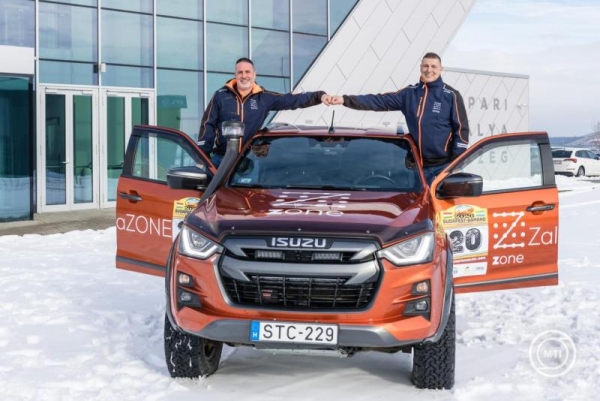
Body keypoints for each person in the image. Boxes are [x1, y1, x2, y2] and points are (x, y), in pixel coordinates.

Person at [331, 52, 469, 184]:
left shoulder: (451, 95)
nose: (429, 70)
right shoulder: (409, 94)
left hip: (443, 168)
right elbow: (379, 101)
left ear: (441, 69)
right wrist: (344, 100)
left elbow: (461, 131)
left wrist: (455, 164)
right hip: (416, 169)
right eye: (425, 66)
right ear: (420, 67)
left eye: (433, 66)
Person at [198, 57, 333, 166]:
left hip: (248, 160)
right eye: (240, 72)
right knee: (203, 187)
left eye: (247, 72)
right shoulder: (221, 96)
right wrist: (203, 156)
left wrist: (319, 96)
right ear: (235, 75)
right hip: (221, 158)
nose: (244, 76)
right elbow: (207, 124)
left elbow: (292, 100)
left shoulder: (264, 98)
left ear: (254, 74)